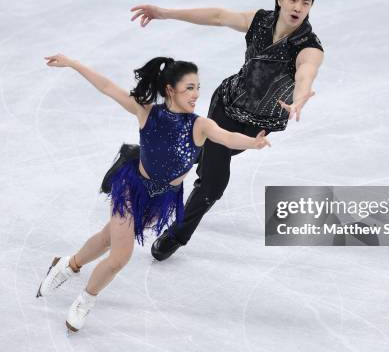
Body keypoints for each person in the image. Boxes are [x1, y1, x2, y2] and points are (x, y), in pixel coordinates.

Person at [36, 53, 270, 333]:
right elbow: (108, 88)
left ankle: (67, 265)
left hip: (162, 199)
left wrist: (252, 143)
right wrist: (74, 64)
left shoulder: (200, 125)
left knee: (107, 237)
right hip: (131, 188)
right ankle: (86, 299)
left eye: (197, 87)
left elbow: (227, 137)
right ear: (170, 90)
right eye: (189, 88)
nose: (196, 94)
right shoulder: (147, 112)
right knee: (120, 257)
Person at [130, 0, 324, 261]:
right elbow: (219, 16)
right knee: (212, 182)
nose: (298, 8)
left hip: (257, 125)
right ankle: (177, 235)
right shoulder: (259, 21)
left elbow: (306, 72)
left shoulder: (309, 46)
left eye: (306, 2)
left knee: (201, 156)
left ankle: (134, 158)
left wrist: (299, 98)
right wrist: (166, 13)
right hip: (226, 105)